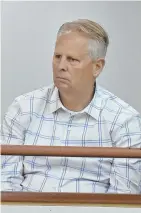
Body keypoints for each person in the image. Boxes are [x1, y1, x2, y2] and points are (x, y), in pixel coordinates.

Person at [1, 19, 141, 194]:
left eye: (72, 60)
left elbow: (123, 198)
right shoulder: (22, 108)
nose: (61, 67)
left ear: (97, 67)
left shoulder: (125, 120)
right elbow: (5, 183)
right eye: (57, 56)